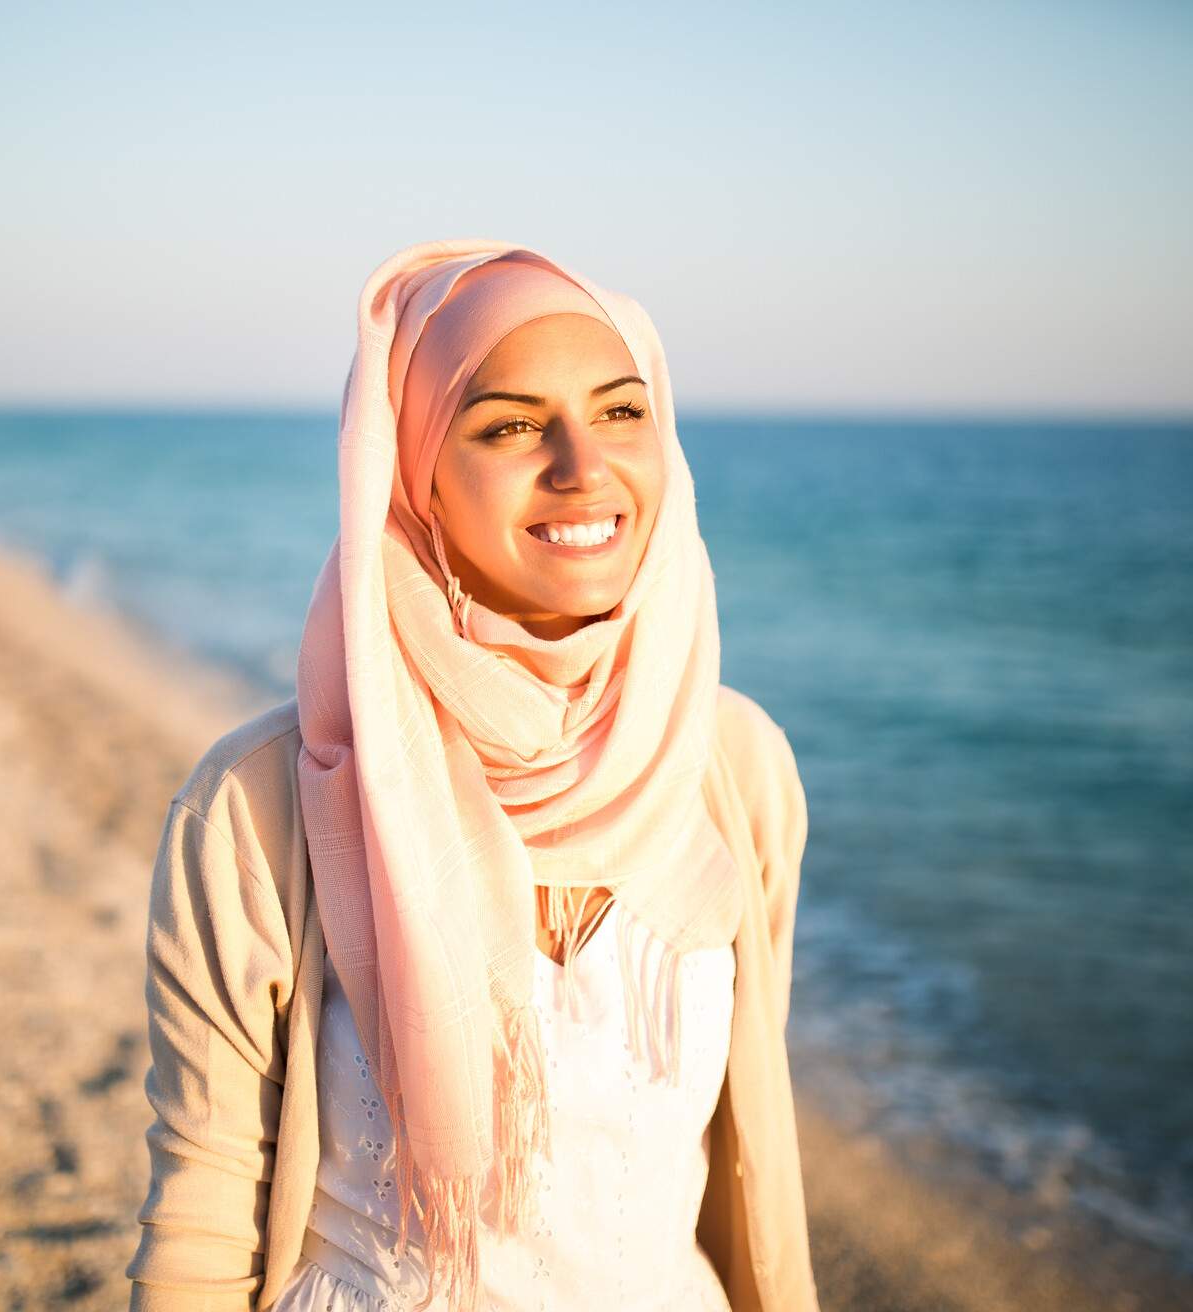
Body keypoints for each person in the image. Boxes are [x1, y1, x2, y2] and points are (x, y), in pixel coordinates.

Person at [124, 239, 821, 1312]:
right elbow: (202, 1217)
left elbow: (749, 1162)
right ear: (416, 476)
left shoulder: (734, 765)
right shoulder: (262, 803)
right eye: (508, 425)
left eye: (622, 411)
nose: (583, 466)